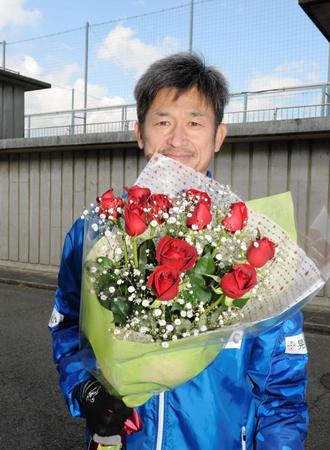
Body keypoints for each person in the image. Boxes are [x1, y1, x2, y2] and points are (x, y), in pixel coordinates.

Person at [49, 53, 309, 450]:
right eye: (163, 121)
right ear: (139, 132)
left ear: (218, 135)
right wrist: (83, 387)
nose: (177, 138)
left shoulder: (253, 241)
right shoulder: (97, 231)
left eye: (194, 122)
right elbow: (67, 323)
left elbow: (282, 386)